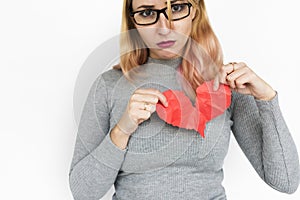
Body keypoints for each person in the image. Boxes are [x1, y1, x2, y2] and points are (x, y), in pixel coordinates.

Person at [69, 0, 300, 199]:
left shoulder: (223, 84)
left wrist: (267, 99)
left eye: (177, 7)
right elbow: (82, 192)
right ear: (133, 22)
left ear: (195, 10)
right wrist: (121, 131)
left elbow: (286, 181)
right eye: (148, 13)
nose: (165, 27)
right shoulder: (108, 86)